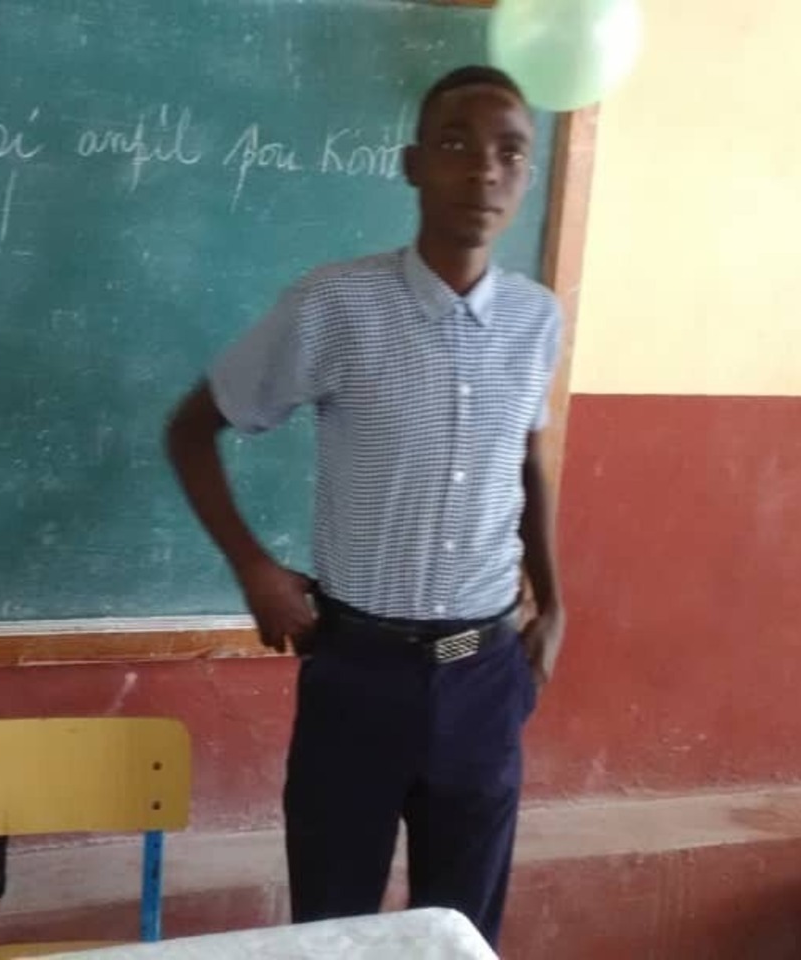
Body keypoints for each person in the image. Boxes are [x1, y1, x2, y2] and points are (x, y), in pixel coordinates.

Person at [166, 65, 565, 949]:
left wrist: (556, 601)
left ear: (528, 178)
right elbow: (192, 430)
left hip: (487, 675)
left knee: (461, 931)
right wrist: (254, 568)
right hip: (359, 674)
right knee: (333, 927)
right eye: (457, 145)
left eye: (509, 153)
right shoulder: (337, 304)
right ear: (413, 163)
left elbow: (527, 460)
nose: (484, 171)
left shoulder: (538, 320)